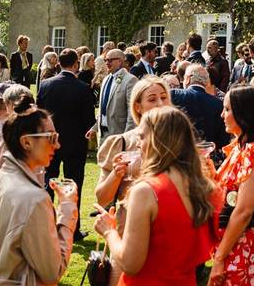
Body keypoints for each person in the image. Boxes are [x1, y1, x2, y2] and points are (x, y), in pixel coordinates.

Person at [0, 97, 79, 285]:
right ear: (26, 142)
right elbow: (52, 271)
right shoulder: (35, 199)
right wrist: (67, 211)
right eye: (51, 138)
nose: (57, 145)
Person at [93, 106, 219, 285]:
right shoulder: (203, 187)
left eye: (142, 136)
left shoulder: (145, 191)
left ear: (159, 140)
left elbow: (130, 264)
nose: (137, 144)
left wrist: (109, 231)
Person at [95, 75, 171, 285]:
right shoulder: (121, 143)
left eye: (164, 97)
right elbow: (101, 198)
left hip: (168, 238)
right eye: (153, 99)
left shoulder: (179, 142)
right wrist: (116, 174)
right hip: (127, 235)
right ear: (138, 107)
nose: (160, 103)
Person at [209, 86, 254, 286]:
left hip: (243, 244)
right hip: (230, 242)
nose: (222, 115)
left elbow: (244, 211)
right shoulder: (240, 147)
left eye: (228, 109)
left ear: (244, 113)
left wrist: (220, 258)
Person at [37, 48, 96, 239]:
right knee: (74, 185)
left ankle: (46, 224)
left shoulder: (45, 85)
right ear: (76, 64)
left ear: (59, 63)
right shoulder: (83, 88)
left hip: (50, 142)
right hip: (75, 144)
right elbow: (89, 120)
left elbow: (39, 114)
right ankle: (74, 228)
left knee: (48, 183)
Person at [171, 64, 228, 155]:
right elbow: (222, 139)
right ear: (206, 82)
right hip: (206, 157)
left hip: (177, 156)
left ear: (188, 78)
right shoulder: (218, 104)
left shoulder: (174, 95)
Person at [93, 48, 140, 141]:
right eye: (105, 60)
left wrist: (126, 137)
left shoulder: (130, 80)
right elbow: (104, 109)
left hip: (119, 134)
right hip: (103, 134)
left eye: (110, 60)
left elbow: (132, 112)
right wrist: (94, 128)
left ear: (120, 61)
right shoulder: (106, 79)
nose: (107, 63)